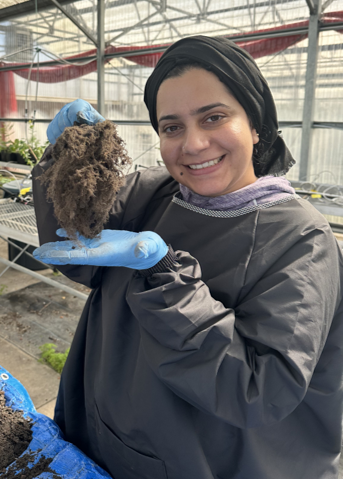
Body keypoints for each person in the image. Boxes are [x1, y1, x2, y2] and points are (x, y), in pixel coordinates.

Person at [31, 36, 343, 479]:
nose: (193, 144)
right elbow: (74, 246)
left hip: (206, 462)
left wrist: (165, 281)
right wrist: (66, 165)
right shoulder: (158, 192)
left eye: (213, 117)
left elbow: (258, 389)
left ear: (256, 125)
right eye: (171, 127)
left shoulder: (301, 239)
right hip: (105, 438)